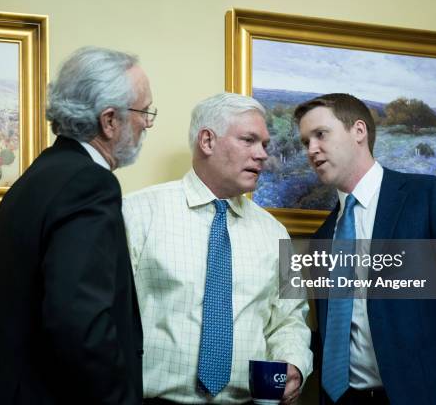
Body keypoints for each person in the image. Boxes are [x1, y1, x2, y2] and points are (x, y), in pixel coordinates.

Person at [0, 46, 155, 404]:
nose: (148, 123)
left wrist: (16, 372)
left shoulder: (35, 177)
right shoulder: (90, 184)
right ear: (109, 120)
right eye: (143, 111)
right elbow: (79, 322)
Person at [294, 93, 436, 405]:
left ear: (358, 131)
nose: (311, 150)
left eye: (320, 134)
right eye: (306, 141)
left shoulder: (429, 198)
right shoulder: (322, 238)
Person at [123, 92, 313, 404]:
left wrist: (294, 363)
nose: (262, 154)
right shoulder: (136, 214)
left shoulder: (274, 233)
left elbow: (289, 318)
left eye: (264, 144)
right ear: (208, 141)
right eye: (249, 140)